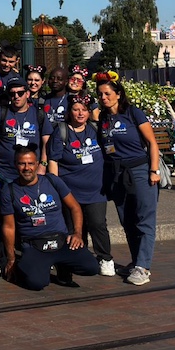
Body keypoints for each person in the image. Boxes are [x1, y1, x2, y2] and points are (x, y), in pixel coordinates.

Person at [0, 148, 99, 290]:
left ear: (37, 164)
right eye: (22, 164)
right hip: (34, 244)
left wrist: (77, 233)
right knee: (36, 284)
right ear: (15, 165)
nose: (27, 168)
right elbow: (9, 227)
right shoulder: (9, 191)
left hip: (61, 240)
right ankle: (31, 265)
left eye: (31, 163)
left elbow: (75, 207)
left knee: (92, 267)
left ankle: (62, 266)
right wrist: (11, 258)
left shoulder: (52, 181)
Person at [95, 72, 161, 286]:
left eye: (107, 93)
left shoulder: (133, 113)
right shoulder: (104, 118)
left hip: (140, 171)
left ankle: (143, 266)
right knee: (127, 221)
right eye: (100, 94)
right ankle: (136, 262)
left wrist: (153, 170)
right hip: (117, 174)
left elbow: (152, 143)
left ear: (118, 94)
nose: (104, 98)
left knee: (144, 219)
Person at [48, 94, 114, 277]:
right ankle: (79, 257)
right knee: (74, 228)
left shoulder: (95, 129)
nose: (80, 113)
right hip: (71, 191)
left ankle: (105, 257)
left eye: (84, 110)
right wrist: (56, 189)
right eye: (76, 109)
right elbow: (53, 161)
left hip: (96, 190)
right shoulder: (61, 131)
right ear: (69, 112)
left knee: (97, 223)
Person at [0, 76, 48, 184]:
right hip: (4, 173)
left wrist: (43, 165)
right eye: (12, 94)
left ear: (27, 94)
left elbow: (46, 141)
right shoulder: (0, 112)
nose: (16, 97)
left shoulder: (38, 114)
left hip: (31, 172)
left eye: (20, 93)